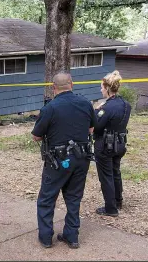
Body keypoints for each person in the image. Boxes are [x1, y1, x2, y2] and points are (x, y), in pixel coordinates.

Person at [31, 72, 97, 249]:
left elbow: (36, 136)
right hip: (82, 158)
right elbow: (91, 129)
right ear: (72, 85)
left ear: (53, 88)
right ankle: (72, 236)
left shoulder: (50, 108)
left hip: (58, 161)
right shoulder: (86, 103)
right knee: (74, 197)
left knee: (47, 198)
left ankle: (46, 238)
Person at [93, 70, 131, 217]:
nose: (100, 89)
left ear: (108, 88)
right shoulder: (126, 104)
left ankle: (110, 208)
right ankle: (118, 201)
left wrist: (96, 111)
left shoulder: (106, 107)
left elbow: (97, 126)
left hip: (105, 145)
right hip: (120, 143)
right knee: (115, 172)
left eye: (102, 87)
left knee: (106, 175)